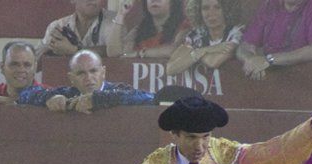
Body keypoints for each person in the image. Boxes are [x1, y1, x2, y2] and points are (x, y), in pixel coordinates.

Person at [136, 93, 312, 164]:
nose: (199, 146)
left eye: (206, 136)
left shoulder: (230, 155)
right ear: (174, 135)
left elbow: (273, 155)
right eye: (191, 137)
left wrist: (309, 132)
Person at [18, 50, 155, 113]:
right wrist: (49, 97)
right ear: (71, 78)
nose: (88, 78)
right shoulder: (68, 94)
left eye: (93, 71)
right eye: (81, 73)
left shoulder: (119, 90)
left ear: (103, 72)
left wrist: (98, 99)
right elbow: (24, 94)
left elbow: (151, 98)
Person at [236, 0, 312, 80]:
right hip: (268, 82)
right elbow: (245, 46)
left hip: (306, 83)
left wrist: (269, 60)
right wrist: (251, 60)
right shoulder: (270, 4)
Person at [166, 0, 245, 75]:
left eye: (217, 7)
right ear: (199, 12)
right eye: (205, 8)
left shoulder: (236, 33)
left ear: (226, 10)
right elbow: (170, 69)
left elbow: (212, 62)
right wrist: (205, 50)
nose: (211, 13)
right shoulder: (196, 34)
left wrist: (192, 54)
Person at [37, 0, 117, 61]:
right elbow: (35, 64)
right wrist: (50, 47)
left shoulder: (116, 22)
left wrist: (73, 50)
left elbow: (111, 51)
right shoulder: (58, 26)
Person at [107, 0, 188, 59]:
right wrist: (120, 15)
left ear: (173, 2)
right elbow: (114, 53)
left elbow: (176, 51)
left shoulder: (184, 25)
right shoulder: (139, 29)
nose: (154, 1)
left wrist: (139, 54)